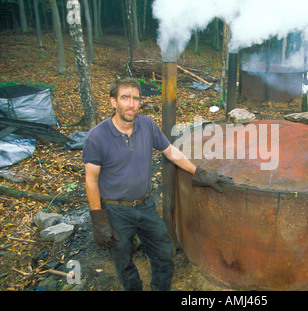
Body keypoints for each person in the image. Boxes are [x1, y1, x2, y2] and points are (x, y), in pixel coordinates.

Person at [83, 77, 231, 291]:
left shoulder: (147, 125)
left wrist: (198, 172)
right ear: (113, 102)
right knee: (123, 261)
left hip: (144, 205)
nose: (131, 104)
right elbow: (91, 180)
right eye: (125, 98)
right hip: (116, 210)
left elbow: (171, 152)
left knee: (163, 252)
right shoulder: (96, 136)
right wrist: (98, 219)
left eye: (135, 98)